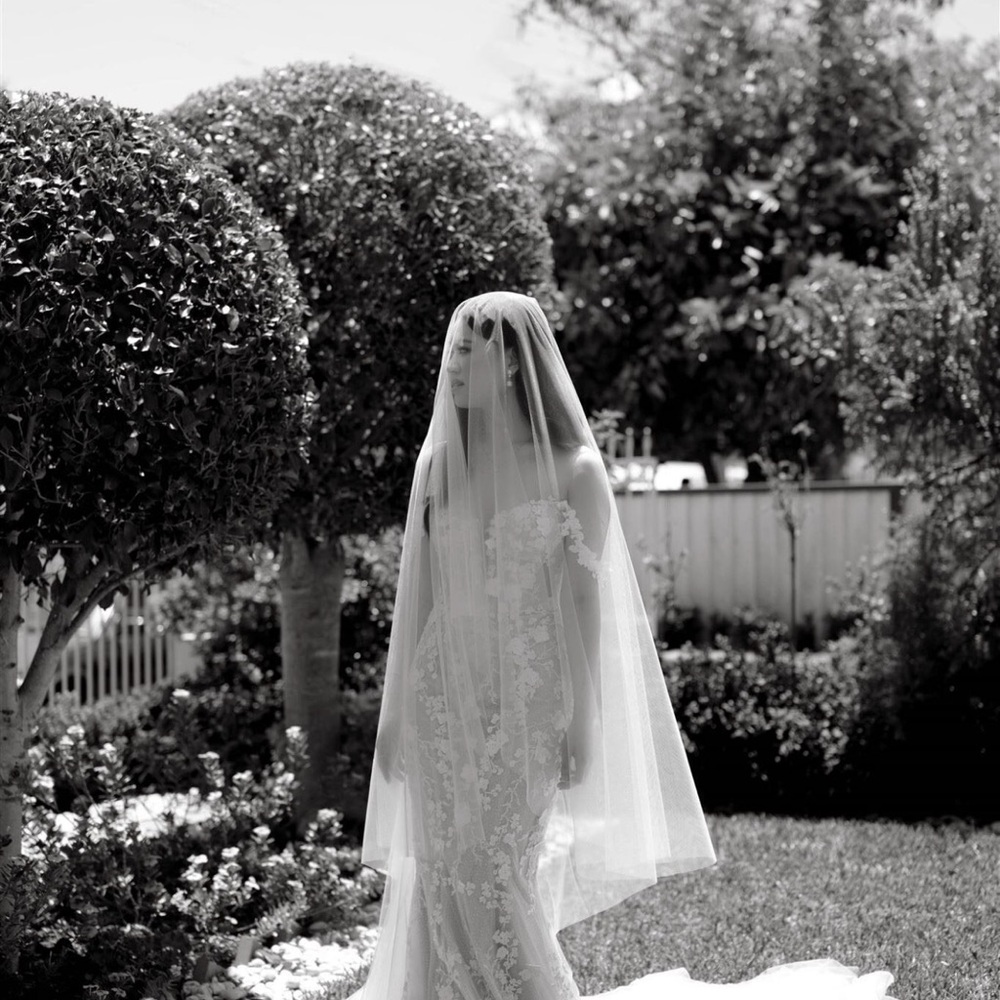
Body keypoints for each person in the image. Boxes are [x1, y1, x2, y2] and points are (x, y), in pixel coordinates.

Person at [349, 291, 896, 999]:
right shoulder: (439, 465)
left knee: (491, 870)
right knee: (442, 870)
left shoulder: (575, 469)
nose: (450, 365)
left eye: (467, 350)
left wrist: (584, 715)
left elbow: (582, 605)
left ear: (512, 365)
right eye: (451, 349)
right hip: (439, 695)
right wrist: (394, 714)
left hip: (528, 698)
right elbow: (417, 596)